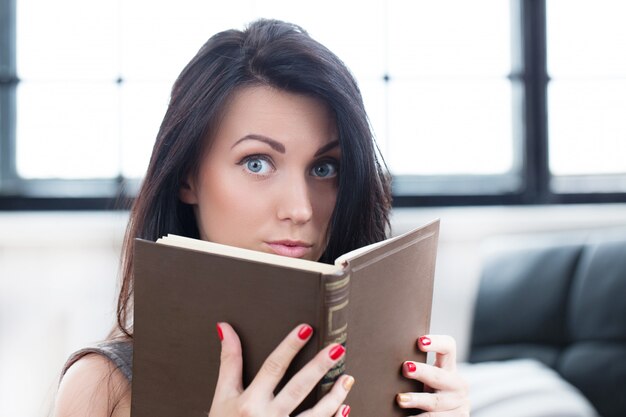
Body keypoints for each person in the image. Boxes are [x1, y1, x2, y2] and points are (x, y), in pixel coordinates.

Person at [53, 19, 470, 417]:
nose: (300, 209)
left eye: (324, 168)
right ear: (188, 178)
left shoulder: (380, 370)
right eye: (257, 163)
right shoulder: (102, 386)